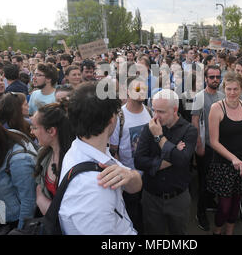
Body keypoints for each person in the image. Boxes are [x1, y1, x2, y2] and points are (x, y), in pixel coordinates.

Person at [59, 82, 142, 235]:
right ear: (112, 119)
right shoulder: (92, 189)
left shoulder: (88, 149)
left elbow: (135, 186)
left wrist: (130, 176)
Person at [207, 71, 242, 235]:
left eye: (236, 89)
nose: (232, 93)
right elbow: (213, 142)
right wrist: (233, 159)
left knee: (237, 201)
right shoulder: (216, 108)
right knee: (224, 207)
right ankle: (217, 231)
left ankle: (229, 231)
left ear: (241, 90)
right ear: (223, 89)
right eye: (229, 89)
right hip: (224, 165)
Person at [134, 89, 197, 235]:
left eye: (161, 112)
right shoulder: (149, 127)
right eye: (154, 110)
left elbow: (182, 160)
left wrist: (159, 138)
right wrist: (168, 159)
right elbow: (138, 161)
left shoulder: (189, 131)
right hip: (151, 197)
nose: (156, 116)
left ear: (175, 110)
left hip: (178, 198)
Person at [109, 76, 152, 234]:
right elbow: (114, 150)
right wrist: (123, 177)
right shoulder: (119, 117)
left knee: (147, 212)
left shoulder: (149, 111)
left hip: (148, 174)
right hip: (129, 177)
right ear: (127, 91)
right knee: (133, 215)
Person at [191, 65, 225, 231]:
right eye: (211, 77)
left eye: (218, 77)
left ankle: (211, 201)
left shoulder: (222, 96)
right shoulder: (199, 97)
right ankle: (200, 212)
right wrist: (199, 145)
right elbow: (195, 122)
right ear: (206, 79)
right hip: (205, 146)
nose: (215, 80)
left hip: (219, 146)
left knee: (215, 178)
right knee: (204, 182)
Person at [32, 103, 74, 216]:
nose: (32, 132)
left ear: (51, 131)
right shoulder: (43, 154)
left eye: (35, 128)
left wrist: (41, 199)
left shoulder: (74, 161)